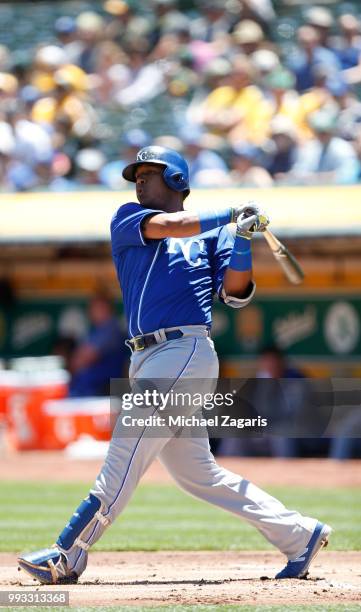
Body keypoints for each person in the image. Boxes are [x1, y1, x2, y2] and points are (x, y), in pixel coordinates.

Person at [18, 145, 331, 584]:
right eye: (138, 175)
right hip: (145, 355)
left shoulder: (216, 233)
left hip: (184, 352)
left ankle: (67, 553)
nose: (139, 181)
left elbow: (237, 293)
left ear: (177, 180)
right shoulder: (128, 217)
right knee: (198, 475)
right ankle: (300, 535)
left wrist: (240, 237)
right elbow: (173, 225)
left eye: (149, 174)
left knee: (125, 450)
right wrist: (231, 213)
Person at [68, 294, 129, 397]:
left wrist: (75, 362)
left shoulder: (110, 328)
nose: (91, 312)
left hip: (103, 388)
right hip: (93, 387)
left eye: (95, 307)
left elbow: (83, 359)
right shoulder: (99, 329)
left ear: (106, 308)